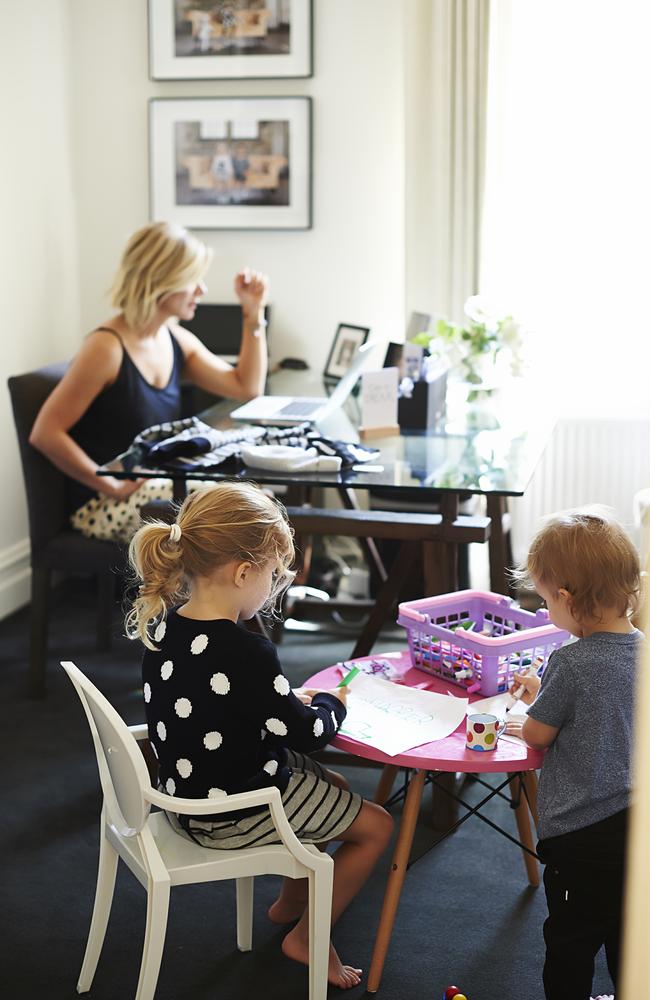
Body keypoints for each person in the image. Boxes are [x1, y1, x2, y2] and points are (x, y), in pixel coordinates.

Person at [126, 482, 393, 989]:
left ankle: (292, 900)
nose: (273, 586)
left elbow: (219, 701)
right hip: (235, 809)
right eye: (272, 574)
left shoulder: (166, 627)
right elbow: (309, 735)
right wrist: (335, 704)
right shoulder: (248, 653)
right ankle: (308, 937)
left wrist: (283, 700)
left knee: (332, 784)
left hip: (185, 796)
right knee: (378, 826)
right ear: (243, 571)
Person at [29, 220, 268, 542]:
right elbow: (45, 433)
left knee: (248, 504)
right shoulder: (106, 348)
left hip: (159, 488)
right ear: (162, 280)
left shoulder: (173, 339)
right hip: (102, 504)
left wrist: (253, 315)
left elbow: (246, 387)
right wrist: (109, 485)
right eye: (193, 279)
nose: (202, 290)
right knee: (227, 514)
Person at [508, 506, 643, 1000]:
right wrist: (544, 694)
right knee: (626, 933)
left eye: (545, 602)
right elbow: (611, 709)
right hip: (636, 825)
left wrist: (531, 714)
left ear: (565, 598)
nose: (546, 612)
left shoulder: (571, 661)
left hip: (581, 834)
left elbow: (540, 735)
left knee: (571, 938)